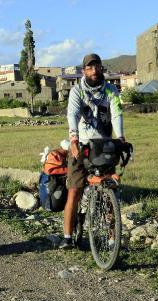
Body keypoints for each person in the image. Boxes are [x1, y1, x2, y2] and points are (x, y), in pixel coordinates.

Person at [59, 53, 126, 249]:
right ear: (84, 71)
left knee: (110, 189)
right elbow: (72, 114)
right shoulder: (77, 91)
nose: (94, 71)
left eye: (97, 67)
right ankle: (67, 236)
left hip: (103, 146)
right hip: (81, 145)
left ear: (102, 69)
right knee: (74, 191)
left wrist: (120, 137)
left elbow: (117, 114)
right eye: (89, 68)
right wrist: (73, 139)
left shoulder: (111, 90)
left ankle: (113, 237)